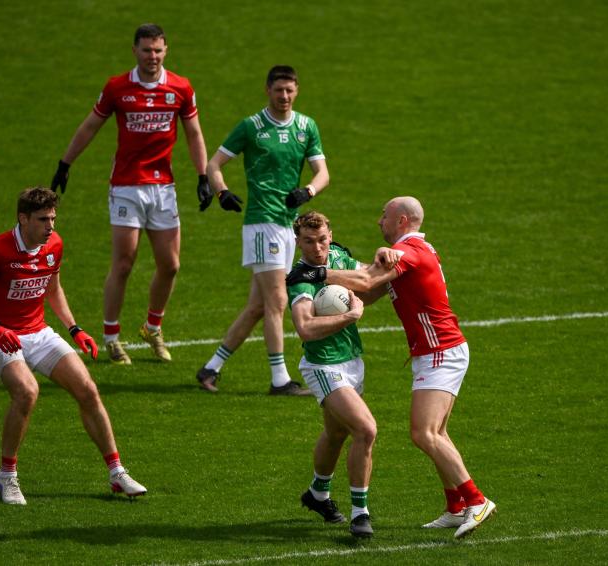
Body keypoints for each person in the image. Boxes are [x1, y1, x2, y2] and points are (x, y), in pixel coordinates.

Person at [286, 196, 497, 539]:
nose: (378, 220)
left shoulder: (409, 252)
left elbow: (368, 284)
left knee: (424, 433)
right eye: (309, 241)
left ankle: (476, 500)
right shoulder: (408, 251)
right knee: (393, 432)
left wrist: (320, 274)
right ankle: (456, 507)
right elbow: (368, 286)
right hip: (423, 352)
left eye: (383, 215)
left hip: (439, 350)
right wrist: (376, 267)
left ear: (400, 221)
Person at [0, 187, 146, 505]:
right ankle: (7, 476)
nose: (51, 227)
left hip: (38, 332)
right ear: (23, 218)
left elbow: (53, 289)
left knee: (88, 389)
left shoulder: (54, 245)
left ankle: (116, 472)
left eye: (53, 219)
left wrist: (75, 329)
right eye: (43, 219)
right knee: (26, 392)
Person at [50, 23, 209, 365]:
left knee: (171, 265)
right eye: (146, 50)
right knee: (124, 263)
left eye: (158, 50)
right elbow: (91, 125)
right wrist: (66, 163)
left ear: (166, 51)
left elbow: (194, 133)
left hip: (163, 188)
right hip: (126, 186)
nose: (152, 56)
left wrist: (202, 175)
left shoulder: (180, 87)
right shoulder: (117, 88)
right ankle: (111, 336)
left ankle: (152, 328)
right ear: (134, 51)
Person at [195, 65, 329, 395]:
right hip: (261, 224)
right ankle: (280, 379)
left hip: (287, 227)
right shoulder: (252, 127)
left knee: (258, 306)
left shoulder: (306, 126)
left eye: (289, 90)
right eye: (278, 90)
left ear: (297, 91)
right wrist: (221, 191)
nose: (284, 96)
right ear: (267, 90)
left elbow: (322, 172)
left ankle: (210, 368)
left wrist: (308, 191)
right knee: (278, 301)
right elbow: (213, 164)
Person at [288, 211, 377, 538]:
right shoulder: (299, 278)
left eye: (322, 239)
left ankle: (317, 494)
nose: (317, 248)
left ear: (330, 235)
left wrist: (389, 257)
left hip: (352, 360)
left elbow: (370, 277)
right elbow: (306, 327)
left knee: (337, 434)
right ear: (298, 242)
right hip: (324, 365)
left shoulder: (338, 256)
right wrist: (351, 316)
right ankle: (360, 513)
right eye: (309, 242)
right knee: (365, 430)